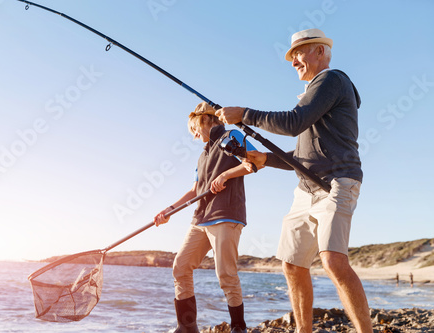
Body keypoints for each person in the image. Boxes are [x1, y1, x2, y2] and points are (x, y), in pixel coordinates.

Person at [215, 28, 373, 333]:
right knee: (292, 263)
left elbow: (292, 123)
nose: (293, 62)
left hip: (338, 183)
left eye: (298, 54)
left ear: (320, 52)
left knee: (333, 261)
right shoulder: (313, 96)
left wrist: (243, 114)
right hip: (307, 189)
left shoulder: (332, 80)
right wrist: (265, 160)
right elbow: (301, 156)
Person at [154, 102, 252, 333]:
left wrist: (226, 175)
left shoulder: (232, 135)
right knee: (181, 267)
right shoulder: (203, 154)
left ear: (205, 120)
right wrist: (170, 209)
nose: (195, 135)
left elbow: (253, 162)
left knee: (226, 274)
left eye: (194, 129)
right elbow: (196, 189)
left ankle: (239, 328)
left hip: (225, 215)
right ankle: (187, 327)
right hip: (201, 218)